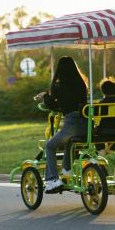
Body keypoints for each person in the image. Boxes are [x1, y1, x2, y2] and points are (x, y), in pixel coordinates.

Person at [36, 56, 89, 192]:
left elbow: (52, 104)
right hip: (86, 125)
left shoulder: (59, 86)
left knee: (50, 146)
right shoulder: (81, 83)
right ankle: (67, 170)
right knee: (69, 142)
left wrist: (45, 96)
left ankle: (53, 179)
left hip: (71, 123)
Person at [94, 78, 115, 155]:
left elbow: (94, 113)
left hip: (104, 130)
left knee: (94, 133)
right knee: (114, 133)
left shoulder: (103, 103)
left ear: (103, 92)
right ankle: (111, 148)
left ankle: (100, 149)